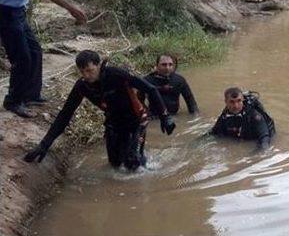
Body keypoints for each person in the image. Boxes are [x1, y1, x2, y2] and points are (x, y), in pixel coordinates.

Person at [24, 50, 176, 171]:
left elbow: (151, 89)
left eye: (90, 70)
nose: (86, 75)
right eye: (82, 72)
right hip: (114, 123)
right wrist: (44, 144)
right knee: (115, 165)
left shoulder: (116, 74)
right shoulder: (82, 86)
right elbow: (65, 114)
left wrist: (165, 116)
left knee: (132, 163)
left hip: (137, 121)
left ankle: (148, 174)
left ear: (98, 65)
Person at [0, 0, 87, 118]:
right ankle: (13, 101)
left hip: (17, 12)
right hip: (6, 13)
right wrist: (71, 8)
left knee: (35, 51)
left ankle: (31, 94)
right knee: (21, 58)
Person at [209, 87, 276, 150]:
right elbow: (213, 133)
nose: (236, 106)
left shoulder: (254, 115)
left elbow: (264, 137)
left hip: (256, 137)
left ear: (243, 100)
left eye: (239, 101)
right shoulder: (225, 116)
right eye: (232, 102)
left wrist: (257, 155)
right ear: (226, 102)